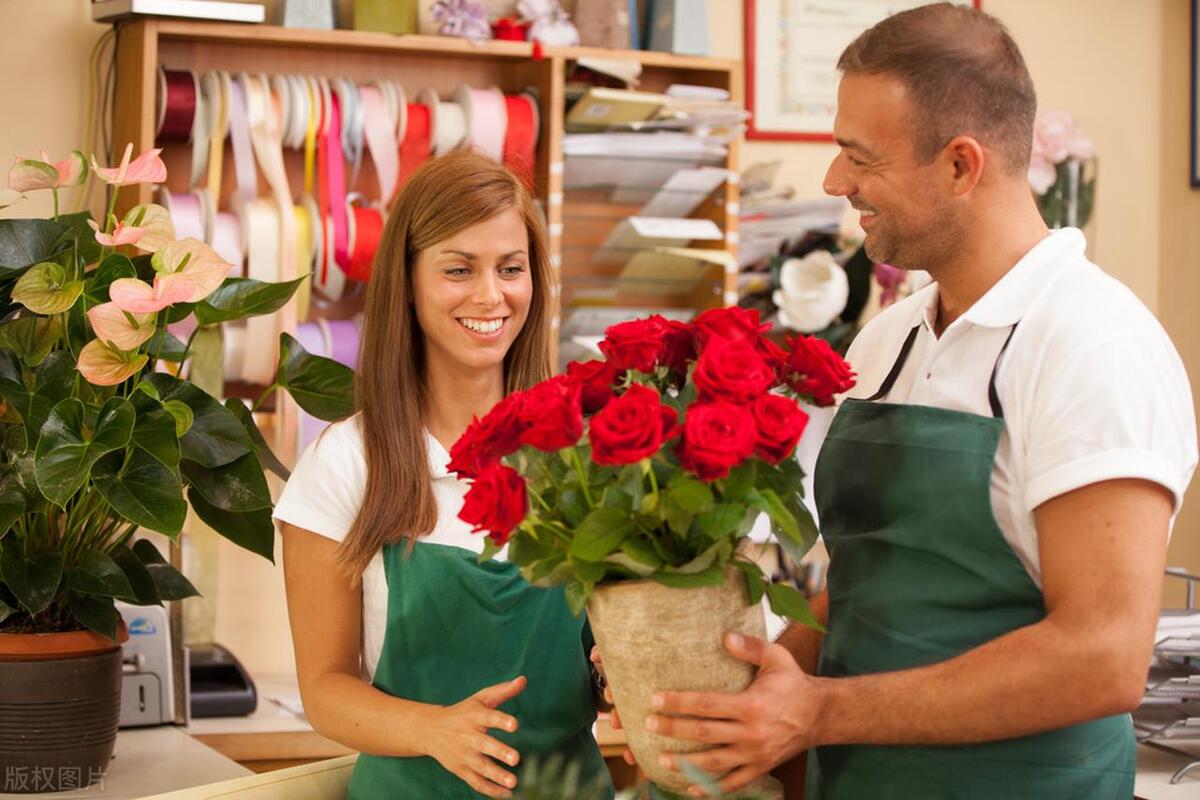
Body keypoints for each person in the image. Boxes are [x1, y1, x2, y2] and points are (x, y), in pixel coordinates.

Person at [630, 4, 1198, 798]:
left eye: (859, 157)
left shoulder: (1094, 347)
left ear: (962, 166)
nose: (835, 181)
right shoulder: (886, 340)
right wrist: (736, 701)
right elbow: (868, 584)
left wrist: (820, 712)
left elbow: (1101, 657)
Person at [275, 151, 614, 799]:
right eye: (459, 269)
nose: (491, 296)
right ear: (407, 280)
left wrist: (618, 674)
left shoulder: (584, 456)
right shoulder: (348, 464)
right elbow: (323, 689)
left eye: (511, 269)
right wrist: (435, 729)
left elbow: (602, 650)